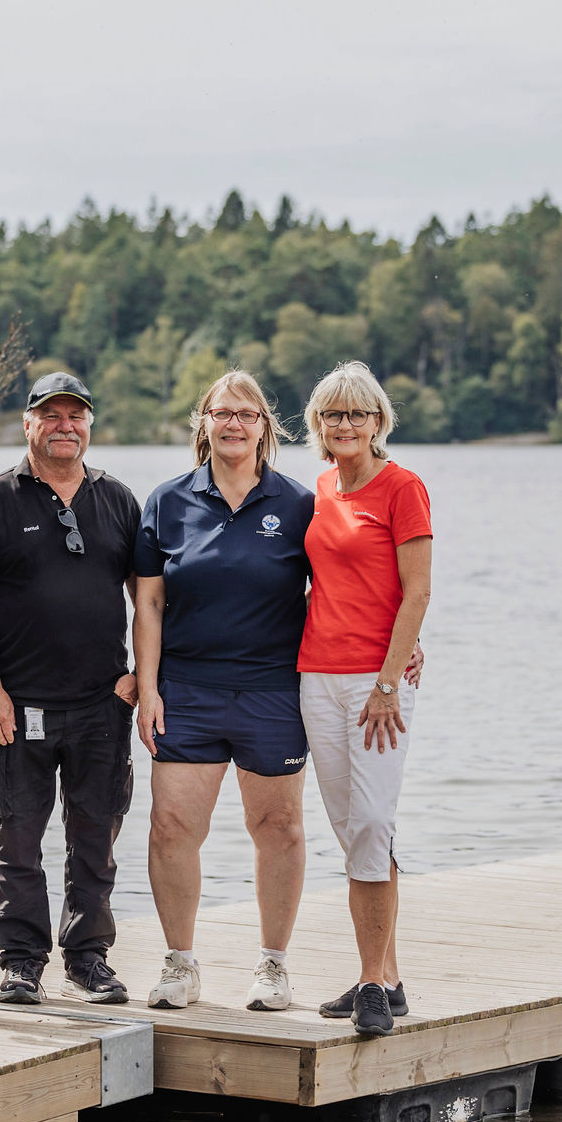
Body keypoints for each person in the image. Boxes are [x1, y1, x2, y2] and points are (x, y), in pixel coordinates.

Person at [0, 372, 142, 1006]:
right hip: (21, 706)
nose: (65, 425)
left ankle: (88, 959)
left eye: (76, 415)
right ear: (28, 424)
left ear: (89, 426)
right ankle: (22, 960)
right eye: (51, 415)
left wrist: (139, 676)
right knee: (19, 838)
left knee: (96, 837)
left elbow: (148, 599)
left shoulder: (118, 500)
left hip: (102, 706)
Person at [132, 371, 315, 1011]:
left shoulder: (298, 504)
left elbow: (341, 589)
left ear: (265, 426)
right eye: (221, 413)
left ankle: (273, 965)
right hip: (188, 689)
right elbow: (148, 602)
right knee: (171, 828)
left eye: (246, 414)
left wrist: (401, 643)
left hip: (273, 693)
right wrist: (148, 686)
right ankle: (181, 964)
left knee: (280, 828)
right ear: (203, 424)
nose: (233, 424)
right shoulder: (168, 502)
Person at [297, 361, 432, 1038]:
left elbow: (417, 592)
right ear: (318, 425)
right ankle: (390, 977)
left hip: (377, 684)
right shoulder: (319, 490)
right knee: (355, 830)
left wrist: (386, 679)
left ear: (379, 421)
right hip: (314, 676)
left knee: (374, 825)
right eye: (332, 414)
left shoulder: (402, 487)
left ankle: (372, 983)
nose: (345, 425)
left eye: (357, 414)